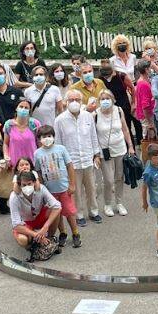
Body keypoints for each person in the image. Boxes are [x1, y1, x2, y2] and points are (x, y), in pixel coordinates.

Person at [53, 89, 102, 226]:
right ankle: (79, 214)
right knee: (76, 190)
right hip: (71, 163)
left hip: (88, 159)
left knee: (92, 188)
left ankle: (94, 212)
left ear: (81, 102)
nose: (74, 102)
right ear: (66, 102)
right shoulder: (59, 120)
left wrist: (96, 154)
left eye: (77, 100)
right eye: (71, 100)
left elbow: (93, 136)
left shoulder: (88, 116)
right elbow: (58, 143)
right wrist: (61, 164)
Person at [33, 126, 81, 248]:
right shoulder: (37, 153)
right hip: (50, 192)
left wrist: (72, 184)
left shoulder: (61, 149)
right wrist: (42, 187)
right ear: (39, 139)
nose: (47, 139)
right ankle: (62, 233)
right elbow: (38, 171)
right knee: (57, 214)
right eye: (44, 137)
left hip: (64, 188)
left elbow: (70, 166)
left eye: (49, 136)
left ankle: (75, 234)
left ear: (54, 137)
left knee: (69, 213)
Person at [94, 90, 135, 218]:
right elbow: (93, 135)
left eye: (107, 98)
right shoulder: (95, 114)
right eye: (102, 99)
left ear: (113, 99)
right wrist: (95, 154)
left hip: (120, 149)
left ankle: (119, 202)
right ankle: (107, 204)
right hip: (104, 151)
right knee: (108, 180)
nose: (105, 101)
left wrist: (130, 146)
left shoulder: (119, 110)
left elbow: (125, 129)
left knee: (119, 177)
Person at [9, 171, 62, 251]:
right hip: (25, 223)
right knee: (23, 240)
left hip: (39, 218)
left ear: (34, 182)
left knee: (55, 211)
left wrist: (45, 227)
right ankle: (31, 244)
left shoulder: (41, 188)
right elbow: (16, 225)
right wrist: (36, 235)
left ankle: (49, 238)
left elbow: (57, 206)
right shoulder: (14, 197)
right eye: (24, 185)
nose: (27, 187)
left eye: (29, 184)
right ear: (20, 185)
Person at [99, 58, 139, 144]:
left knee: (127, 128)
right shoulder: (101, 79)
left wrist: (133, 103)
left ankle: (131, 151)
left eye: (108, 75)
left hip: (124, 105)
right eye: (105, 76)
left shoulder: (121, 76)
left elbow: (132, 88)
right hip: (110, 107)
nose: (107, 78)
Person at [3, 99, 40, 183]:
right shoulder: (9, 125)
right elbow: (5, 144)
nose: (23, 109)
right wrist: (6, 156)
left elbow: (39, 143)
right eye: (21, 106)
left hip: (32, 165)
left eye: (26, 108)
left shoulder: (34, 124)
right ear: (16, 108)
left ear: (29, 110)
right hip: (15, 165)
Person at [23, 65, 63, 130]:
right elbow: (27, 111)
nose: (39, 76)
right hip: (34, 127)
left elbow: (60, 110)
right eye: (36, 75)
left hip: (51, 127)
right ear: (32, 77)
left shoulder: (55, 89)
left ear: (46, 77)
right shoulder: (28, 91)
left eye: (41, 74)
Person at [134, 60, 155, 139]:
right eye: (150, 68)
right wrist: (149, 122)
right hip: (147, 116)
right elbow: (145, 105)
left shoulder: (142, 81)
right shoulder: (143, 84)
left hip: (146, 115)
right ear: (146, 69)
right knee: (150, 139)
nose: (151, 70)